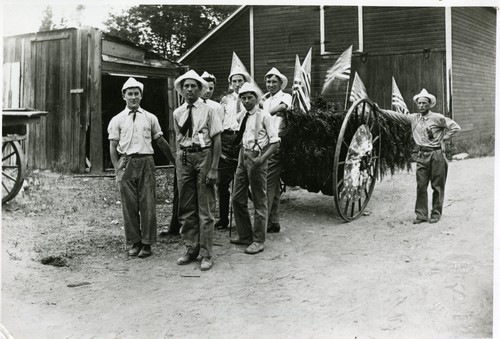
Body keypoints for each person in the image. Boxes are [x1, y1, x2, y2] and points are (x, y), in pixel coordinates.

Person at [108, 77, 176, 258]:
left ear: (141, 95)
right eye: (130, 94)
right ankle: (134, 242)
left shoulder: (150, 118)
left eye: (136, 94)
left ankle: (147, 243)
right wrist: (117, 170)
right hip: (126, 162)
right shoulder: (117, 119)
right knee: (129, 205)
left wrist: (174, 160)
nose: (133, 97)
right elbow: (113, 147)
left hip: (146, 162)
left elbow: (160, 141)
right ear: (124, 96)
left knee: (147, 204)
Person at [377, 88, 461, 224]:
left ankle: (436, 213)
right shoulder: (413, 118)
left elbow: (455, 127)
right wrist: (380, 110)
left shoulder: (437, 118)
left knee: (437, 186)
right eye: (419, 103)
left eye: (424, 103)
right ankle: (421, 215)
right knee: (421, 186)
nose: (421, 106)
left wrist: (443, 138)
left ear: (430, 104)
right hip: (422, 155)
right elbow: (396, 116)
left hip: (437, 154)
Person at [173, 70, 223, 271]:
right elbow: (178, 138)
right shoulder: (178, 112)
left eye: (194, 86)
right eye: (186, 86)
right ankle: (190, 248)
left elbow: (217, 139)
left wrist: (214, 168)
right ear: (182, 90)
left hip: (204, 155)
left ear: (200, 88)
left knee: (205, 208)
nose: (190, 89)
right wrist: (179, 160)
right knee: (186, 207)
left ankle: (206, 253)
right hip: (184, 157)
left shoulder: (210, 110)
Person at [230, 82, 279, 254]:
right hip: (243, 156)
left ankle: (258, 240)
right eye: (243, 98)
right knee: (236, 198)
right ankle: (245, 235)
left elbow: (275, 143)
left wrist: (261, 159)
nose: (246, 100)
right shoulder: (243, 115)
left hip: (258, 156)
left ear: (257, 98)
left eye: (250, 97)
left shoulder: (265, 116)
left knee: (259, 200)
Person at [215, 69, 251, 229]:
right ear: (230, 83)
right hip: (226, 138)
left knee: (241, 181)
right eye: (234, 81)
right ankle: (223, 219)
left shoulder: (249, 99)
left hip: (242, 138)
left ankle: (242, 221)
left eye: (240, 81)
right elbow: (220, 120)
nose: (237, 84)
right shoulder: (225, 100)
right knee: (223, 182)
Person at [261, 67, 292, 233]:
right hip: (266, 143)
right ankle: (273, 222)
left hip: (277, 144)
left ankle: (263, 223)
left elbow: (282, 108)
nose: (270, 84)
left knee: (267, 184)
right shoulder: (266, 100)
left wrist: (262, 114)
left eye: (274, 81)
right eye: (268, 81)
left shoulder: (285, 97)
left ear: (281, 83)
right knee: (272, 184)